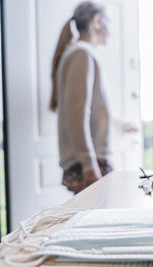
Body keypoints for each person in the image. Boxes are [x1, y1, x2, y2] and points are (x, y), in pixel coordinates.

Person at [49, 1, 113, 194]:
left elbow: (92, 111)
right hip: (88, 165)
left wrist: (118, 124)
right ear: (97, 21)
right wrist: (89, 165)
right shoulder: (81, 54)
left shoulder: (81, 53)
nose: (111, 29)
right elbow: (77, 116)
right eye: (108, 21)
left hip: (87, 162)